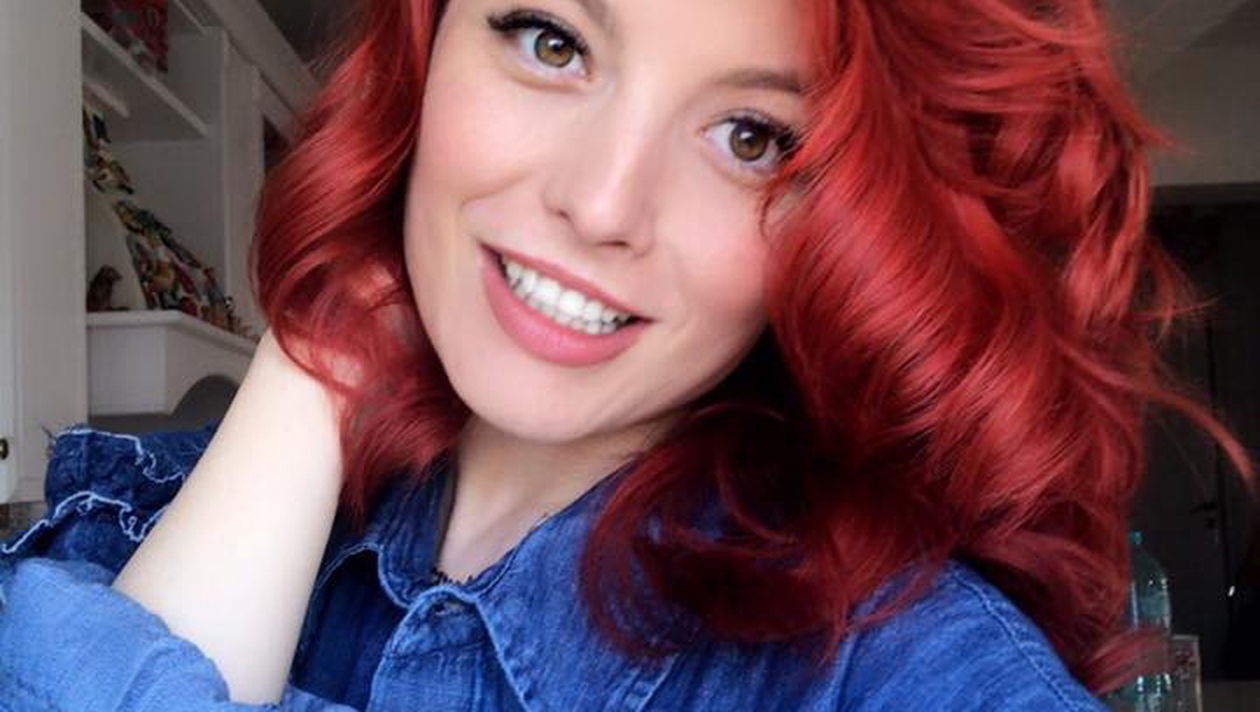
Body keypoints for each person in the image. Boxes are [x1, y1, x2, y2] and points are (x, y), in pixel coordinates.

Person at [1, 0, 1252, 709]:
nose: (603, 204)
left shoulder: (898, 666)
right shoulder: (200, 504)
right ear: (424, 49)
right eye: (552, 40)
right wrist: (319, 350)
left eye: (754, 136)